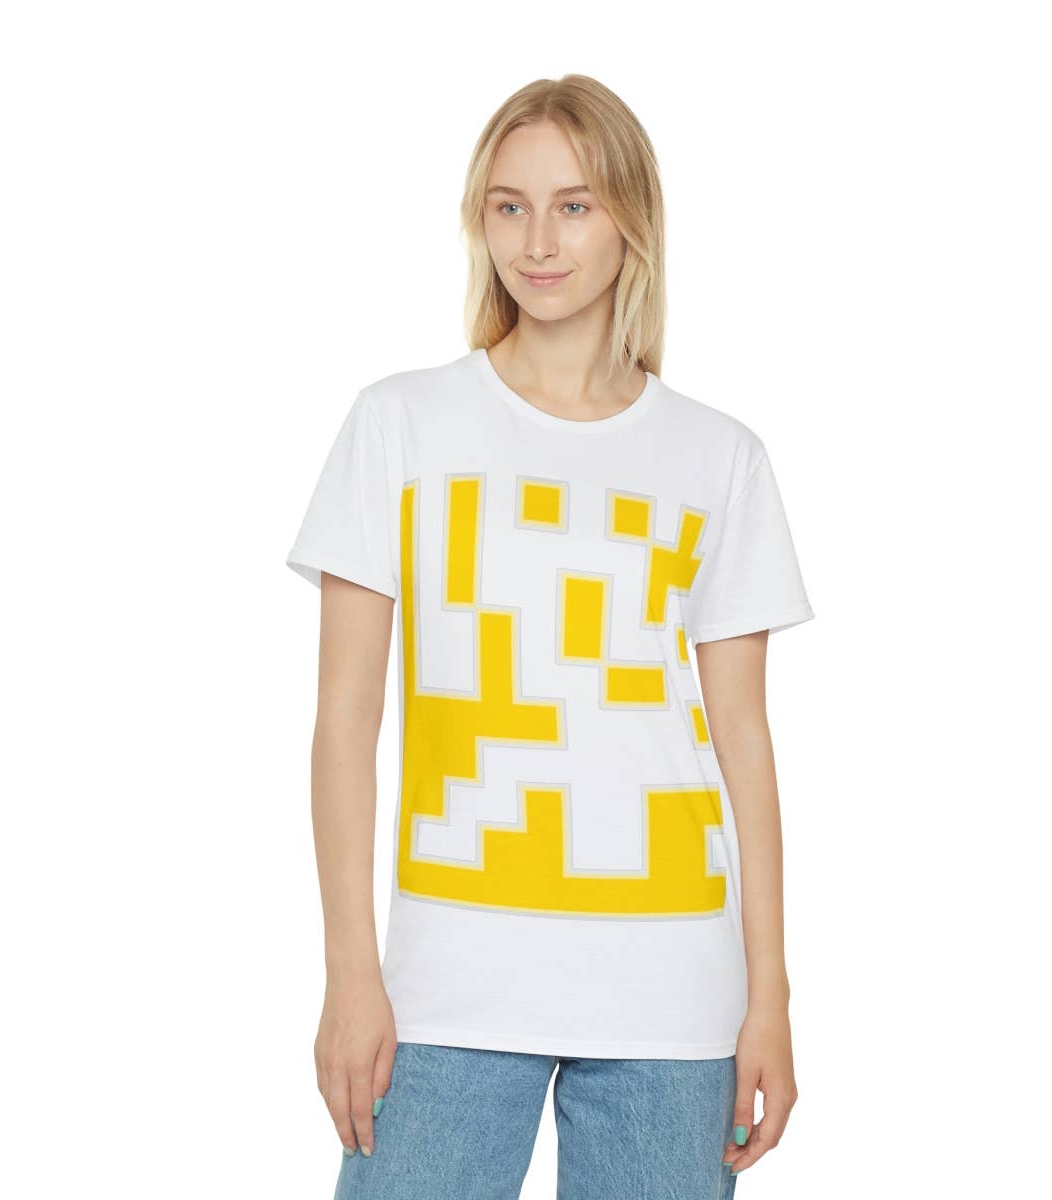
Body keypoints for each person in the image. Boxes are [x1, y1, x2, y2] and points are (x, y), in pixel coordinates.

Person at [286, 73, 815, 1200]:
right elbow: (345, 719)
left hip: (673, 1000)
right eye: (510, 205)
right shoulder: (400, 425)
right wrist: (349, 971)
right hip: (445, 992)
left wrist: (768, 989)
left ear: (632, 219)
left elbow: (744, 741)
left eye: (574, 206)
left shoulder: (719, 457)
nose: (538, 241)